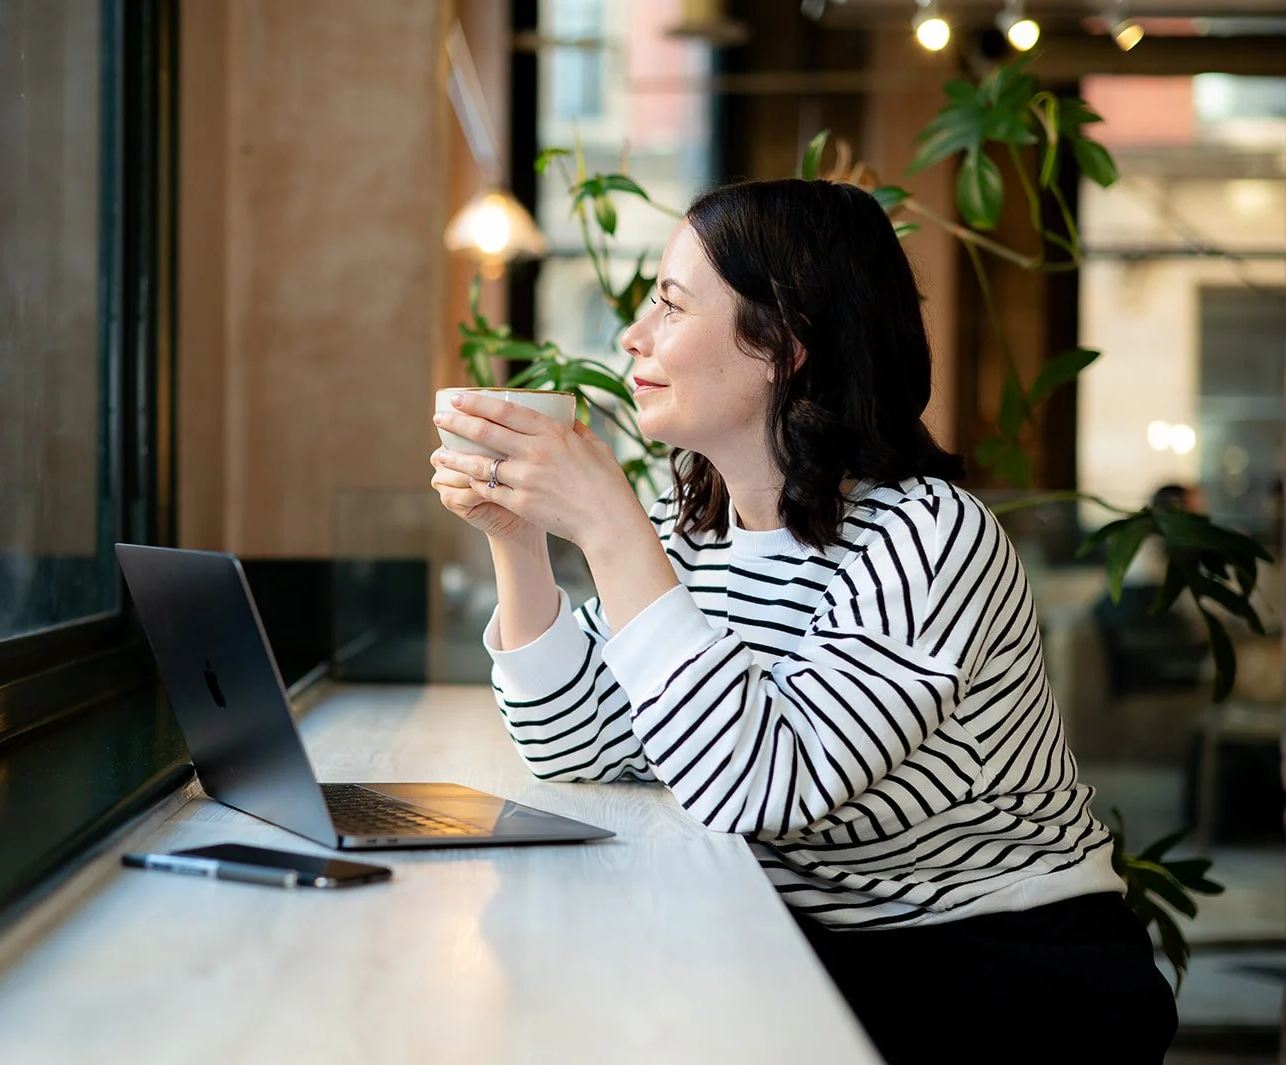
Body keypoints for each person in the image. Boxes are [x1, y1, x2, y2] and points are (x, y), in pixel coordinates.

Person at [430, 179, 1176, 1065]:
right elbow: (576, 743)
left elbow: (759, 787)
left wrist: (607, 527)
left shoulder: (930, 538)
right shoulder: (695, 529)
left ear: (786, 343)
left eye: (669, 304)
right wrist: (516, 542)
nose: (633, 337)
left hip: (1001, 966)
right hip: (810, 937)